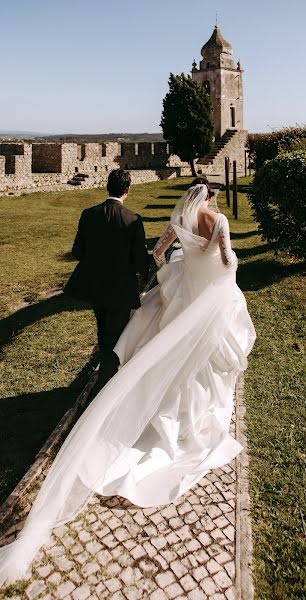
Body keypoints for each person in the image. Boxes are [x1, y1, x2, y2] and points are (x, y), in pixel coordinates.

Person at [0, 183, 256, 584]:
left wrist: (177, 263)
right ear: (210, 199)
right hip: (210, 294)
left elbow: (158, 252)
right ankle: (186, 415)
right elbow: (225, 259)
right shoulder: (219, 220)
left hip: (184, 293)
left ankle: (142, 395)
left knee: (166, 349)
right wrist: (218, 263)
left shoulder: (178, 219)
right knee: (203, 358)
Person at [64, 169, 149, 394]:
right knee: (115, 335)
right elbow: (140, 260)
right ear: (128, 190)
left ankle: (106, 379)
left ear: (107, 187)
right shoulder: (133, 219)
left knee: (103, 331)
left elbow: (78, 251)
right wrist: (144, 276)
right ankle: (106, 387)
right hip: (121, 288)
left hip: (95, 286)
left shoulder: (88, 214)